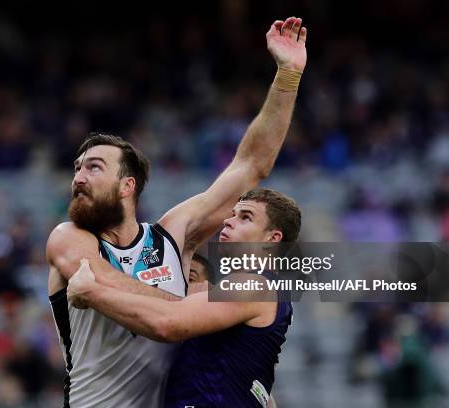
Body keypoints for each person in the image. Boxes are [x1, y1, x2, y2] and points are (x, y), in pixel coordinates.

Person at [46, 17, 307, 407]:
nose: (79, 177)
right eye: (77, 168)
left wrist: (288, 75)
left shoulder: (172, 235)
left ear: (127, 185)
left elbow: (250, 163)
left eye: (94, 167)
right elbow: (107, 285)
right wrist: (193, 300)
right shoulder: (69, 237)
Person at [68, 188, 301, 408]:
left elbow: (167, 323)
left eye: (245, 217)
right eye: (232, 214)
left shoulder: (254, 285)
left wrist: (92, 292)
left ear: (273, 238)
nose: (228, 221)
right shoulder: (265, 294)